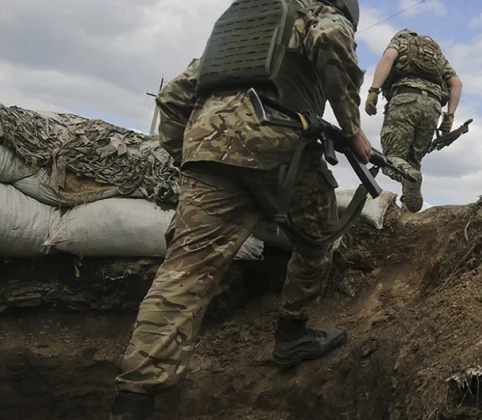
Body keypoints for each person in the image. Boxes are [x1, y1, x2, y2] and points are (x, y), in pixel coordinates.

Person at [109, 1, 369, 419]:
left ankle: (134, 400)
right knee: (318, 240)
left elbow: (173, 97)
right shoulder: (322, 16)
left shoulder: (239, 33)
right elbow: (330, 38)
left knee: (182, 277)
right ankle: (292, 336)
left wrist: (193, 156)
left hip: (206, 153)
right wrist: (353, 132)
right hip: (281, 147)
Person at [364, 29, 463, 213]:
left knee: (392, 159)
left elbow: (387, 59)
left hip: (405, 99)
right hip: (433, 107)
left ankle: (410, 177)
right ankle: (408, 211)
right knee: (414, 161)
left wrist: (373, 91)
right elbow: (456, 83)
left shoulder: (401, 42)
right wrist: (449, 116)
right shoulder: (437, 55)